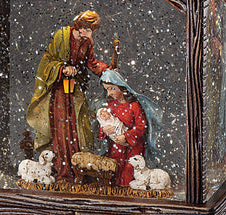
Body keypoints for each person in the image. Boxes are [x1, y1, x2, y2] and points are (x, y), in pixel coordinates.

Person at [27, 11, 110, 181]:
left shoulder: (87, 41)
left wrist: (107, 70)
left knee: (78, 128)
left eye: (91, 31)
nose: (88, 34)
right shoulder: (62, 36)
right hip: (59, 92)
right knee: (61, 129)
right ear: (80, 27)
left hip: (75, 91)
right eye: (87, 30)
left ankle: (78, 169)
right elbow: (47, 61)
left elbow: (91, 63)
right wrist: (62, 68)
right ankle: (62, 171)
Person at [97, 70, 163, 187]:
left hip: (133, 145)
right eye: (106, 89)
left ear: (120, 86)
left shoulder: (134, 105)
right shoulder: (112, 105)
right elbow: (105, 122)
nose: (109, 93)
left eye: (112, 89)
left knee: (129, 172)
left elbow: (141, 126)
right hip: (117, 145)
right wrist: (105, 130)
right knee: (114, 169)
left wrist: (126, 136)